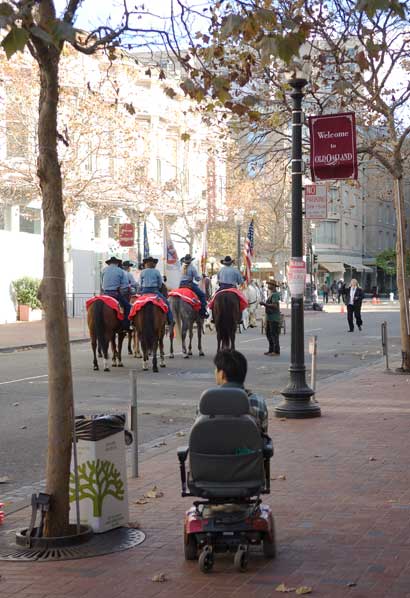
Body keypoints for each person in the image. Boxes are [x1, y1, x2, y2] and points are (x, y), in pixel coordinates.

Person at [213, 350, 268, 434]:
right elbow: (263, 435)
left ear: (222, 374)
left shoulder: (207, 402)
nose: (215, 372)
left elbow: (199, 433)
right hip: (250, 446)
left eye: (216, 369)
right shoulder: (258, 402)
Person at [139, 256, 173, 324]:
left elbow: (140, 283)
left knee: (135, 304)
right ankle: (170, 320)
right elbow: (160, 283)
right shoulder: (156, 271)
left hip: (144, 291)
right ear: (153, 264)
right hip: (155, 291)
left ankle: (131, 321)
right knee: (166, 303)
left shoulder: (142, 272)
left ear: (146, 264)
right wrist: (158, 287)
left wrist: (141, 290)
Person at [101, 256, 132, 330]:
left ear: (109, 263)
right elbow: (125, 285)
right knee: (128, 307)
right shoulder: (120, 271)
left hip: (105, 294)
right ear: (117, 263)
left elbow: (102, 282)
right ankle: (125, 325)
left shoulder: (104, 270)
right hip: (115, 294)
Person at [179, 254, 209, 318]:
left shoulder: (181, 267)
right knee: (202, 295)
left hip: (180, 285)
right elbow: (197, 279)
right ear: (191, 260)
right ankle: (203, 311)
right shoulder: (192, 268)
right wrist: (202, 276)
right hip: (189, 285)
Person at [260, 280, 281, 356]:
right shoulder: (271, 294)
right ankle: (271, 349)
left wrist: (264, 304)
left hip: (274, 318)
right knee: (269, 334)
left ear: (273, 286)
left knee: (274, 335)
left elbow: (275, 306)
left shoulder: (275, 295)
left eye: (269, 284)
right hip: (269, 317)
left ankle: (276, 351)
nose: (268, 286)